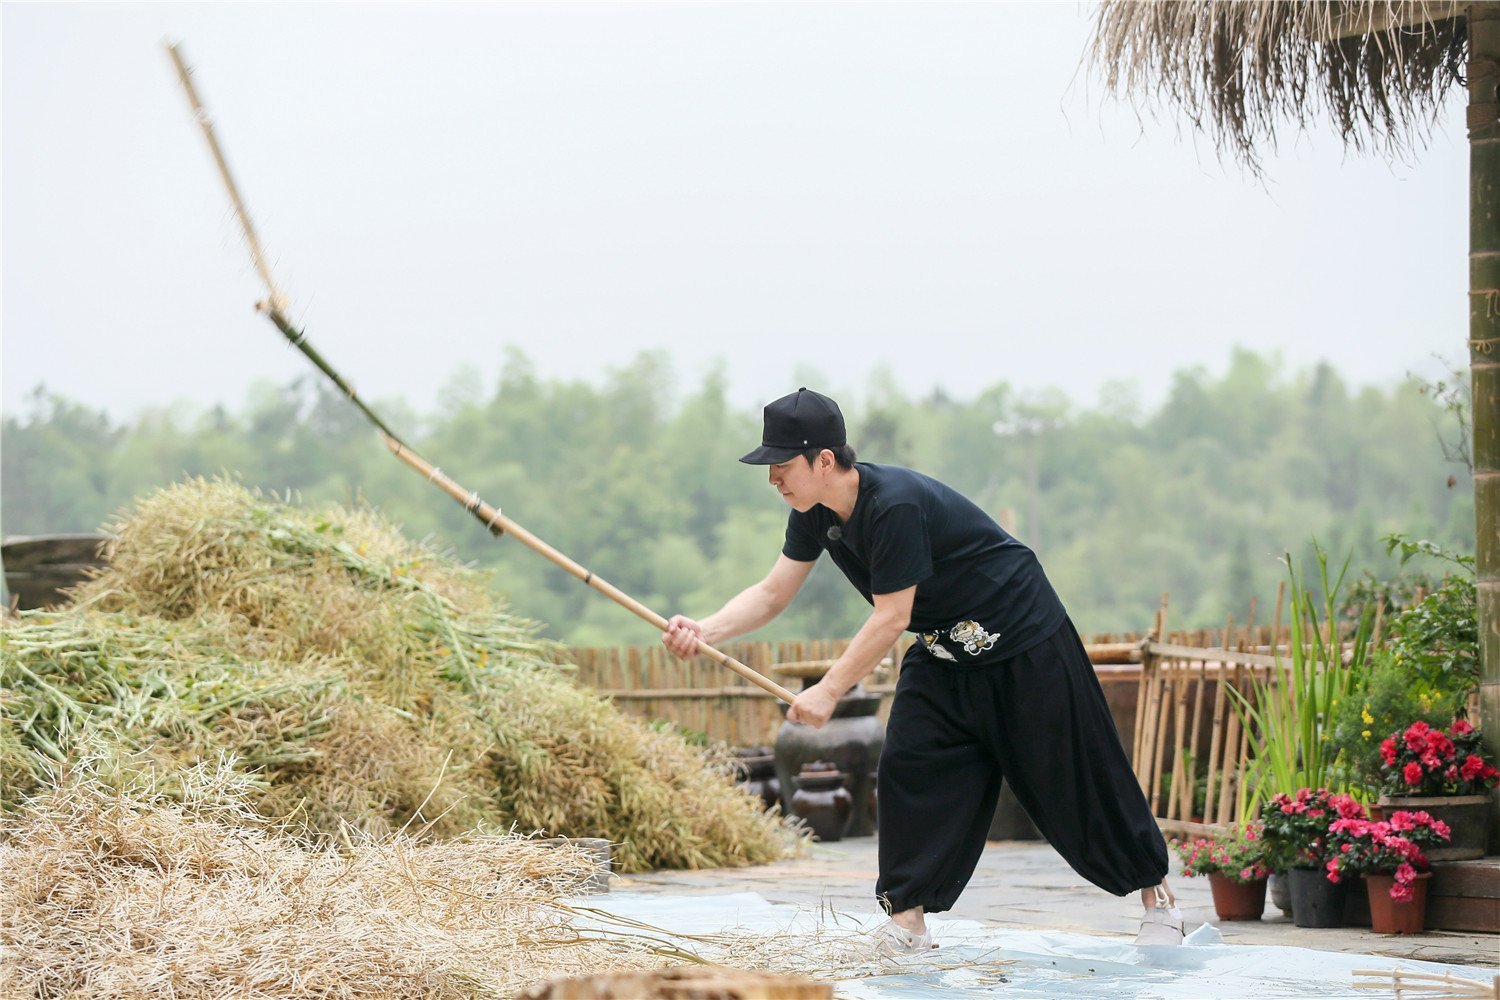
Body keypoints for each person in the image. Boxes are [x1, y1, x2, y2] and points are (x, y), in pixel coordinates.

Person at [661, 387, 1182, 954]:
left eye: (782, 466)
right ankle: (906, 922)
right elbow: (771, 592)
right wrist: (704, 630)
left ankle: (1158, 897)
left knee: (1073, 776)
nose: (773, 480)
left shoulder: (894, 505)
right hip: (942, 650)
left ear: (825, 461)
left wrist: (830, 691)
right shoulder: (812, 515)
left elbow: (891, 617)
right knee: (910, 766)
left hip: (1023, 640)